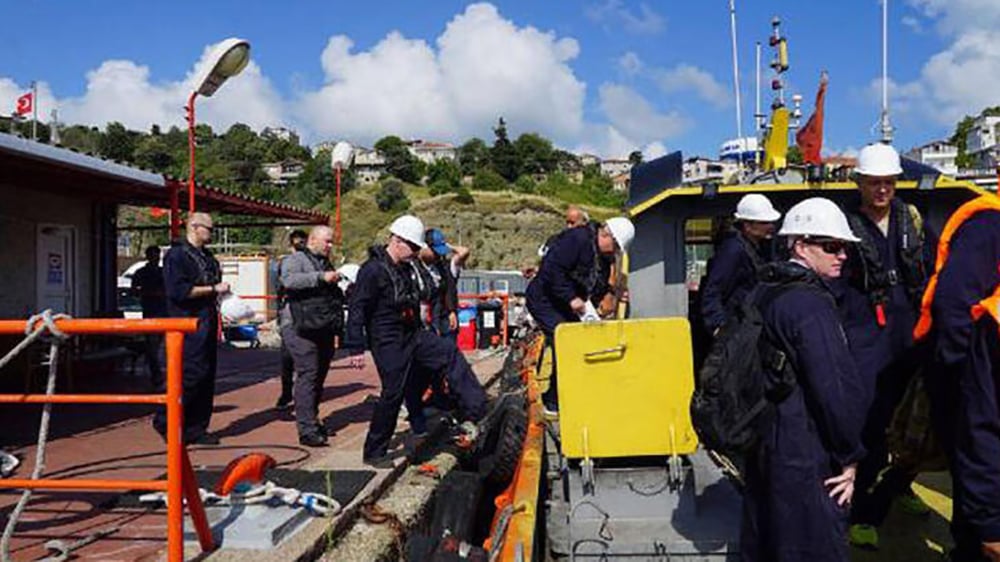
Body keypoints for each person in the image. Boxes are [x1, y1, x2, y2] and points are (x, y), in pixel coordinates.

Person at [741, 197, 867, 562]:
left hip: (763, 437)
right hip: (803, 447)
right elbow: (835, 389)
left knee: (765, 541)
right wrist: (850, 456)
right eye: (831, 246)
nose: (841, 255)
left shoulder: (764, 289)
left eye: (843, 247)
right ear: (800, 245)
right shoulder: (811, 305)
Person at [837, 143, 930, 549]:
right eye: (874, 182)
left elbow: (932, 266)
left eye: (888, 183)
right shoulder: (844, 224)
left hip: (908, 328)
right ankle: (861, 510)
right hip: (865, 331)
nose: (882, 190)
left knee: (917, 417)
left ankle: (901, 485)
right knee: (871, 423)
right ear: (859, 183)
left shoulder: (911, 219)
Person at [344, 215, 487, 468]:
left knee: (448, 352)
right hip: (387, 338)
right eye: (411, 246)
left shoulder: (406, 267)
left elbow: (426, 293)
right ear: (396, 240)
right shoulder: (372, 270)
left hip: (412, 332)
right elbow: (358, 308)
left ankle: (477, 409)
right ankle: (375, 451)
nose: (414, 252)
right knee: (393, 392)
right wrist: (355, 345)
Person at [914, 193, 1000, 562]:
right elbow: (953, 300)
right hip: (971, 369)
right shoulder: (989, 226)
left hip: (976, 368)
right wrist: (967, 366)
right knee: (976, 457)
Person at [525, 216, 635, 415]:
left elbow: (596, 285)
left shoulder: (602, 256)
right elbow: (552, 269)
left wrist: (613, 292)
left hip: (566, 305)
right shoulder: (577, 239)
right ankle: (553, 401)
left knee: (582, 341)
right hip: (544, 301)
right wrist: (571, 298)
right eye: (616, 247)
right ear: (607, 236)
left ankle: (576, 391)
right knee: (565, 341)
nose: (615, 253)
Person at [155, 212, 228, 445]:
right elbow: (178, 292)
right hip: (185, 324)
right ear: (195, 228)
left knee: (206, 375)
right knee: (187, 376)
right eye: (209, 228)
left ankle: (196, 428)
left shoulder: (207, 257)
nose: (212, 233)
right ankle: (167, 423)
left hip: (207, 321)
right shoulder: (177, 257)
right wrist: (213, 289)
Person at [279, 226, 344, 447]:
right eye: (327, 241)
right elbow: (288, 280)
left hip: (321, 325)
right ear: (313, 239)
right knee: (308, 372)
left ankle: (312, 420)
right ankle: (306, 428)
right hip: (298, 326)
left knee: (319, 375)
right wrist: (320, 277)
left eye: (331, 242)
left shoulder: (325, 261)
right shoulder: (295, 259)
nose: (330, 246)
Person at [700, 194, 780, 335]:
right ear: (747, 225)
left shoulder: (756, 247)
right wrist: (718, 327)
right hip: (738, 324)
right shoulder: (733, 249)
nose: (771, 227)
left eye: (771, 222)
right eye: (764, 222)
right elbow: (713, 290)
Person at [275, 229, 308, 410]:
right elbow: (281, 288)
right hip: (289, 314)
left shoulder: (311, 262)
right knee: (287, 357)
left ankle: (294, 393)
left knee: (303, 358)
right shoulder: (286, 263)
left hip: (304, 313)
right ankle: (287, 391)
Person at [422, 228, 470, 341]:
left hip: (445, 317)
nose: (437, 255)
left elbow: (464, 252)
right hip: (427, 319)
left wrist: (447, 246)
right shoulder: (415, 267)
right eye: (434, 251)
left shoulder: (447, 267)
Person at [131, 245, 168, 388]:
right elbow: (133, 291)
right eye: (153, 256)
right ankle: (157, 377)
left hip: (165, 313)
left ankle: (165, 376)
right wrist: (149, 293)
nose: (155, 259)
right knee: (153, 348)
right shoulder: (141, 273)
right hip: (151, 313)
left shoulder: (163, 272)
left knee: (165, 348)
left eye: (157, 256)